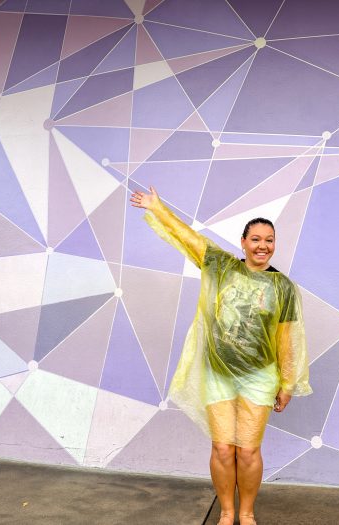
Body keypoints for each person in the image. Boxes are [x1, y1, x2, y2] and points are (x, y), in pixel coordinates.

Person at [130, 186, 312, 525]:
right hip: (218, 373)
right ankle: (227, 512)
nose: (262, 246)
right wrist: (157, 207)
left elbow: (288, 338)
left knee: (249, 450)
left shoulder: (283, 288)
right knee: (223, 448)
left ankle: (247, 513)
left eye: (269, 240)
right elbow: (190, 239)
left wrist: (288, 383)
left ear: (274, 244)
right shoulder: (221, 266)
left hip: (259, 377)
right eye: (255, 239)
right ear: (243, 242)